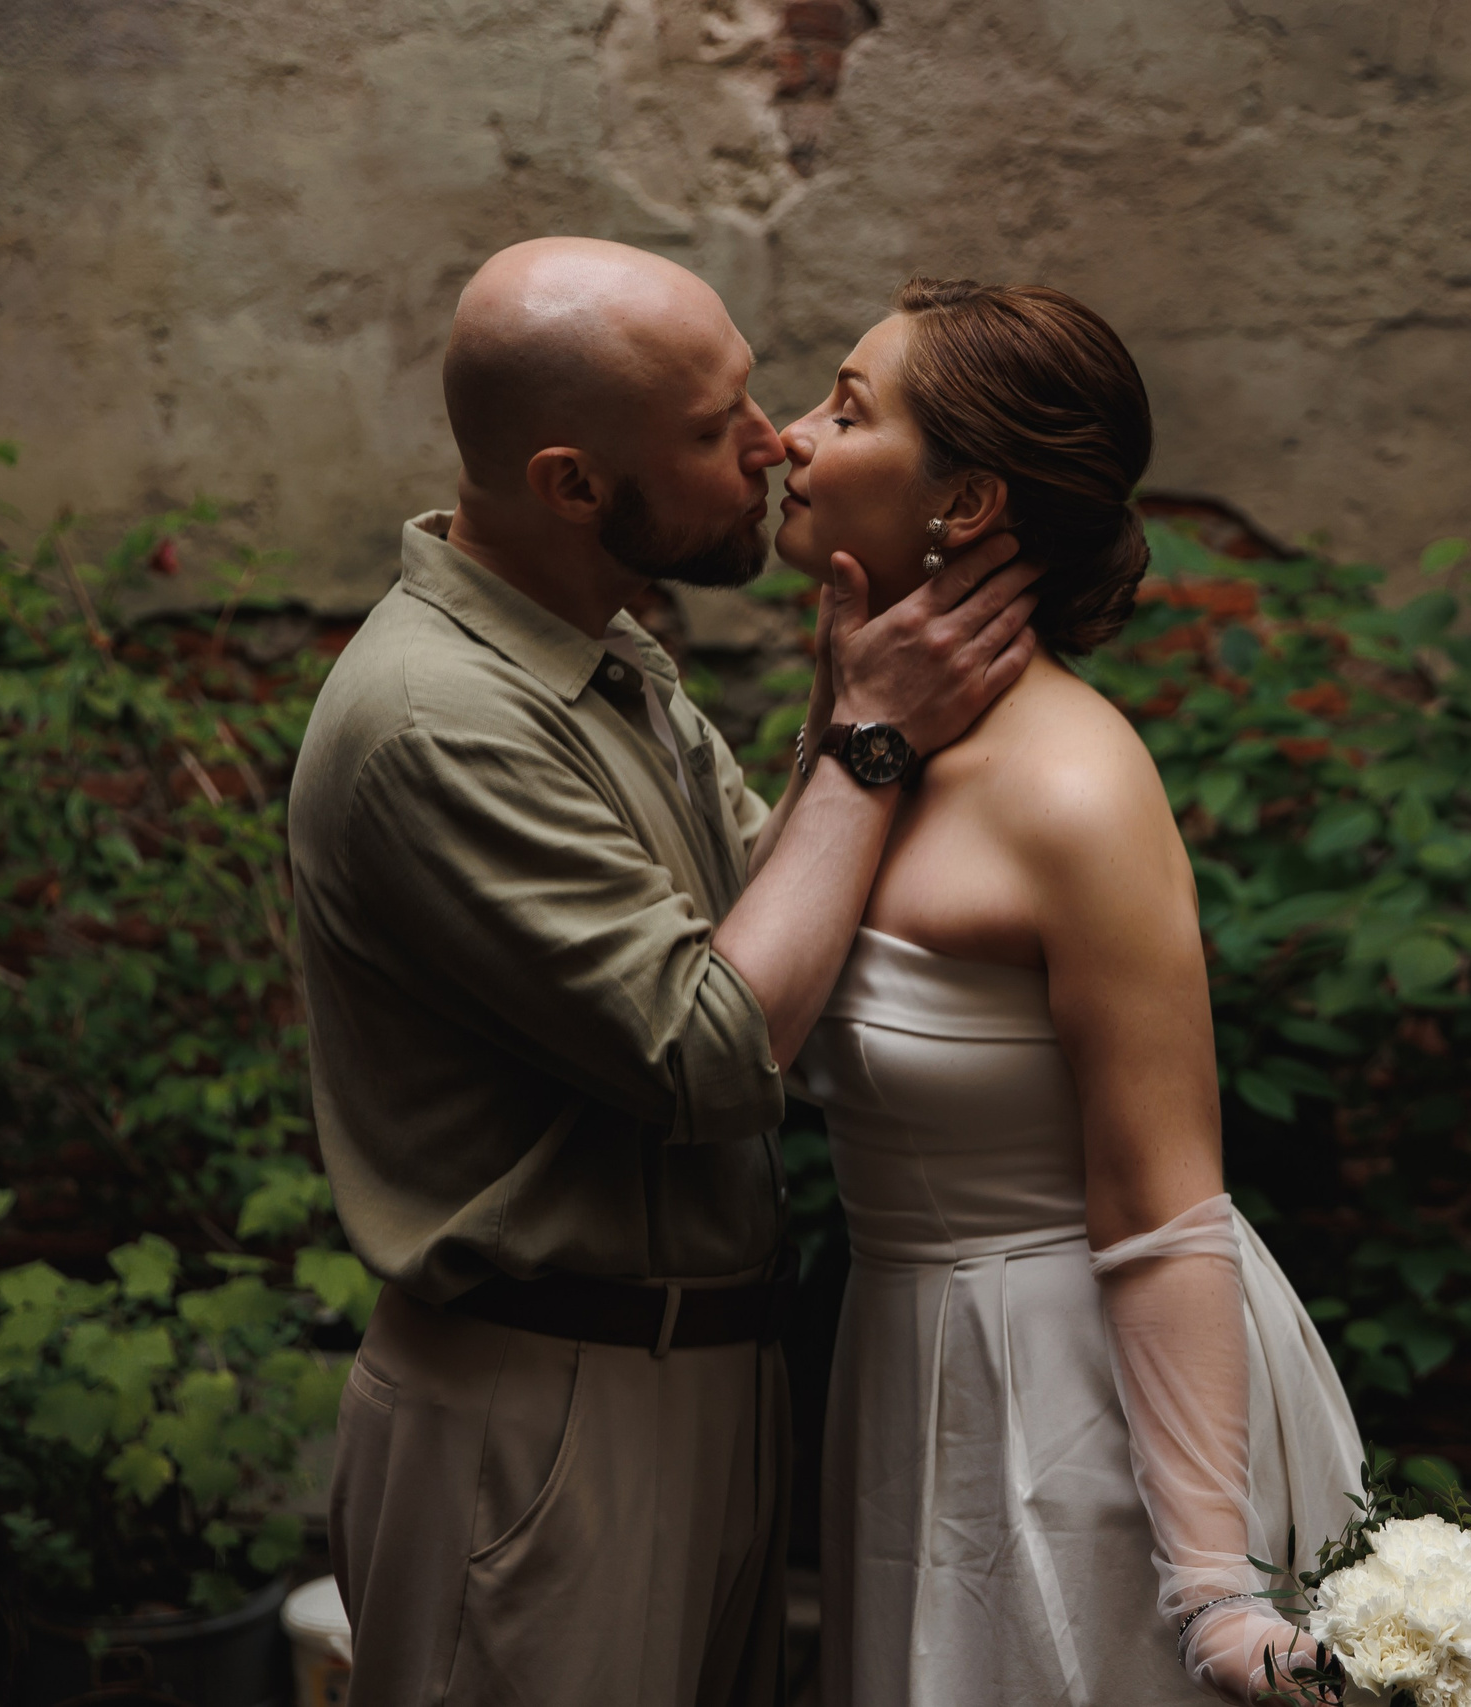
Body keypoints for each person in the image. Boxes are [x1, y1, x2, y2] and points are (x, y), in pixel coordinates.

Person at [290, 238, 1041, 1707]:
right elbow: (719, 1053)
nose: (772, 446)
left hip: (703, 1381)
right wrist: (870, 745)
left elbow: (790, 946)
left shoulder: (604, 660)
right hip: (546, 1417)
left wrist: (845, 720)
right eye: (714, 431)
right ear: (575, 484)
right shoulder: (438, 723)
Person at [771, 278, 1364, 1706]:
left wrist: (1213, 1590)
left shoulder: (1076, 791)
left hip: (1079, 1410)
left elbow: (1163, 1203)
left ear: (966, 503)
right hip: (906, 1368)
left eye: (846, 410)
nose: (791, 437)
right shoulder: (868, 721)